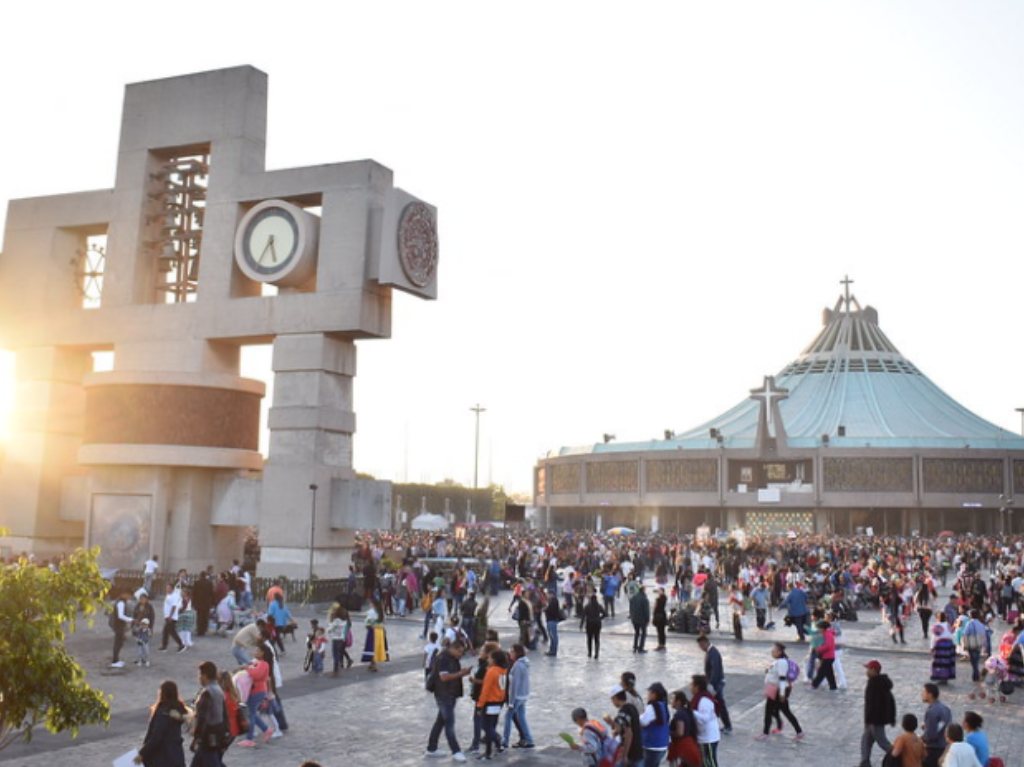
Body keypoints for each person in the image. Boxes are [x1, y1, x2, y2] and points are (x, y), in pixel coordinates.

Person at [425, 637, 471, 761]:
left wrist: (461, 672)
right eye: (460, 651)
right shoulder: (443, 658)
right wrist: (461, 673)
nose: (461, 655)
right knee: (449, 723)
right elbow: (444, 677)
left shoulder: (452, 657)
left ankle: (431, 748)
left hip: (450, 693)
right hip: (444, 694)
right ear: (453, 648)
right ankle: (456, 751)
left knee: (440, 721)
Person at [134, 679, 187, 767]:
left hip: (162, 758)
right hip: (176, 756)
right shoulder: (178, 709)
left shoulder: (163, 711)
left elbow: (156, 737)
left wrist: (142, 753)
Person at [756, 642, 803, 741]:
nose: (772, 652)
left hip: (778, 691)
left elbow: (782, 678)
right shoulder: (778, 662)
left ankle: (765, 733)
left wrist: (782, 694)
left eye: (774, 651)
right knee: (782, 711)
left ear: (780, 652)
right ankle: (797, 731)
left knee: (770, 711)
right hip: (775, 689)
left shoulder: (782, 662)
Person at [860, 659, 896, 767]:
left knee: (883, 742)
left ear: (874, 670)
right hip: (871, 720)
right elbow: (891, 700)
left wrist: (871, 720)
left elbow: (880, 703)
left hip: (875, 720)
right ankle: (865, 763)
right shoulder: (877, 682)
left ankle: (899, 757)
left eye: (868, 669)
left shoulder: (876, 684)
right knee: (865, 741)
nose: (866, 671)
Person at [190, 661, 227, 767]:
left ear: (204, 676)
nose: (198, 677)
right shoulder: (218, 689)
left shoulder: (207, 692)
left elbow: (202, 718)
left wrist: (196, 738)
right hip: (217, 732)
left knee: (212, 762)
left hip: (208, 736)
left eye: (199, 674)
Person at [237, 645, 274, 747]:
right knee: (252, 713)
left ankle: (249, 739)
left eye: (257, 650)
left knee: (251, 715)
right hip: (254, 691)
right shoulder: (258, 663)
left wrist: (247, 668)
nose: (255, 651)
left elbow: (256, 675)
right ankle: (266, 729)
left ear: (263, 653)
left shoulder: (264, 664)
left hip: (257, 692)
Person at [477, 648, 510, 761]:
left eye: (490, 658)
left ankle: (489, 751)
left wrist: (480, 705)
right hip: (498, 702)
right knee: (491, 725)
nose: (488, 659)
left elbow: (485, 690)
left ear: (495, 659)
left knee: (486, 726)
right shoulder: (503, 671)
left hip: (490, 702)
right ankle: (498, 745)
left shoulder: (492, 671)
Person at [696, 635, 732, 734]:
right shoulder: (710, 652)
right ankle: (722, 724)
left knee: (720, 704)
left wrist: (711, 684)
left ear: (705, 643)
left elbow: (715, 670)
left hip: (717, 684)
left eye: (700, 645)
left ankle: (727, 725)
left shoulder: (713, 653)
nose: (700, 648)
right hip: (715, 682)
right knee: (717, 704)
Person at [502, 643, 534, 749]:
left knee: (508, 718)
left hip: (517, 697)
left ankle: (504, 741)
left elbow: (514, 685)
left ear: (516, 653)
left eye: (512, 651)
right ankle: (529, 739)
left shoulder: (517, 666)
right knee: (521, 717)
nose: (510, 653)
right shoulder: (524, 664)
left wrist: (511, 702)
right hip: (523, 696)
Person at [606, 685, 643, 767]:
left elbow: (628, 734)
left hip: (630, 754)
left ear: (615, 698)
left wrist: (610, 722)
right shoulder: (632, 708)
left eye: (612, 700)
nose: (612, 702)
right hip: (639, 751)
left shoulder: (623, 713)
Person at [689, 675, 720, 767]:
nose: (690, 687)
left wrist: (691, 712)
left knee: (710, 762)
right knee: (704, 762)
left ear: (697, 687)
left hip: (708, 738)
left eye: (691, 685)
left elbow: (705, 718)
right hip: (703, 737)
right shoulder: (698, 698)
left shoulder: (704, 700)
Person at [640, 682, 671, 767]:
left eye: (649, 692)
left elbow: (643, 722)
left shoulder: (652, 707)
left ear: (654, 694)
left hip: (652, 745)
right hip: (662, 745)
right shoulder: (663, 705)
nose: (648, 695)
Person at [921, 683, 952, 767]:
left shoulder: (931, 711)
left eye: (924, 692)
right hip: (944, 747)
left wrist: (922, 738)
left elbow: (931, 735)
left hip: (933, 750)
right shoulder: (946, 709)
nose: (922, 694)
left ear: (930, 695)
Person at [667, 690, 700, 767]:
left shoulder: (679, 714)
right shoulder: (686, 712)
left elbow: (680, 733)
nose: (671, 701)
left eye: (672, 699)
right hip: (688, 745)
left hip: (683, 748)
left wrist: (668, 732)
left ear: (678, 701)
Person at [361, 598, 388, 672]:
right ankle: (372, 663)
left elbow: (367, 621)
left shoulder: (371, 612)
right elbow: (385, 621)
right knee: (376, 648)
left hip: (373, 630)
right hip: (380, 631)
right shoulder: (381, 612)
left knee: (371, 647)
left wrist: (367, 625)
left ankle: (374, 664)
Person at [810, 619, 838, 690]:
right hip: (828, 657)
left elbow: (828, 645)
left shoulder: (827, 634)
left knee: (821, 673)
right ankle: (833, 687)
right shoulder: (825, 634)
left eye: (818, 628)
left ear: (822, 628)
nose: (818, 629)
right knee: (829, 674)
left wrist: (819, 649)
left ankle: (814, 686)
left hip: (828, 657)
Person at [326, 603, 353, 675]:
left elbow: (330, 629)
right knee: (339, 652)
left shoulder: (336, 621)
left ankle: (336, 670)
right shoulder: (344, 621)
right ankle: (339, 666)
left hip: (335, 639)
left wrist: (328, 628)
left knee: (335, 654)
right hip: (341, 638)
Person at [158, 582, 185, 653]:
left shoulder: (174, 596)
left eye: (169, 588)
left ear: (172, 589)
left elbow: (174, 606)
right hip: (167, 617)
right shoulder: (168, 595)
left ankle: (181, 644)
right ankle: (164, 646)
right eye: (166, 588)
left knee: (172, 632)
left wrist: (170, 616)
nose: (167, 589)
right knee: (166, 631)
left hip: (172, 617)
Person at [111, 589, 134, 668]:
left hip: (118, 624)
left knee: (119, 642)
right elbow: (121, 616)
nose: (129, 597)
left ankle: (116, 659)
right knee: (118, 643)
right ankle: (115, 661)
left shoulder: (120, 601)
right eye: (129, 595)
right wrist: (131, 620)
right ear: (125, 594)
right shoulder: (121, 602)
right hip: (119, 625)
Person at [930, 617, 957, 684]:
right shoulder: (948, 625)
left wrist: (932, 647)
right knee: (947, 662)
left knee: (939, 662)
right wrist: (954, 644)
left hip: (940, 645)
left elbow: (934, 637)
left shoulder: (936, 626)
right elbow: (952, 634)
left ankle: (940, 676)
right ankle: (946, 677)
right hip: (949, 645)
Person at [581, 594, 606, 660]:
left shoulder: (587, 606)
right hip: (597, 624)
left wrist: (581, 625)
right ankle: (596, 653)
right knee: (597, 639)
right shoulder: (599, 606)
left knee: (589, 639)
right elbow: (605, 614)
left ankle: (589, 653)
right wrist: (600, 618)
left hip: (589, 624)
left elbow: (583, 616)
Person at [631, 584, 651, 654]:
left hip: (634, 619)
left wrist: (632, 616)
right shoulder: (644, 599)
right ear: (644, 590)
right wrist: (648, 619)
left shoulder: (633, 597)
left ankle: (635, 646)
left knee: (636, 633)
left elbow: (631, 608)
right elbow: (646, 610)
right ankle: (641, 647)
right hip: (642, 619)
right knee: (644, 633)